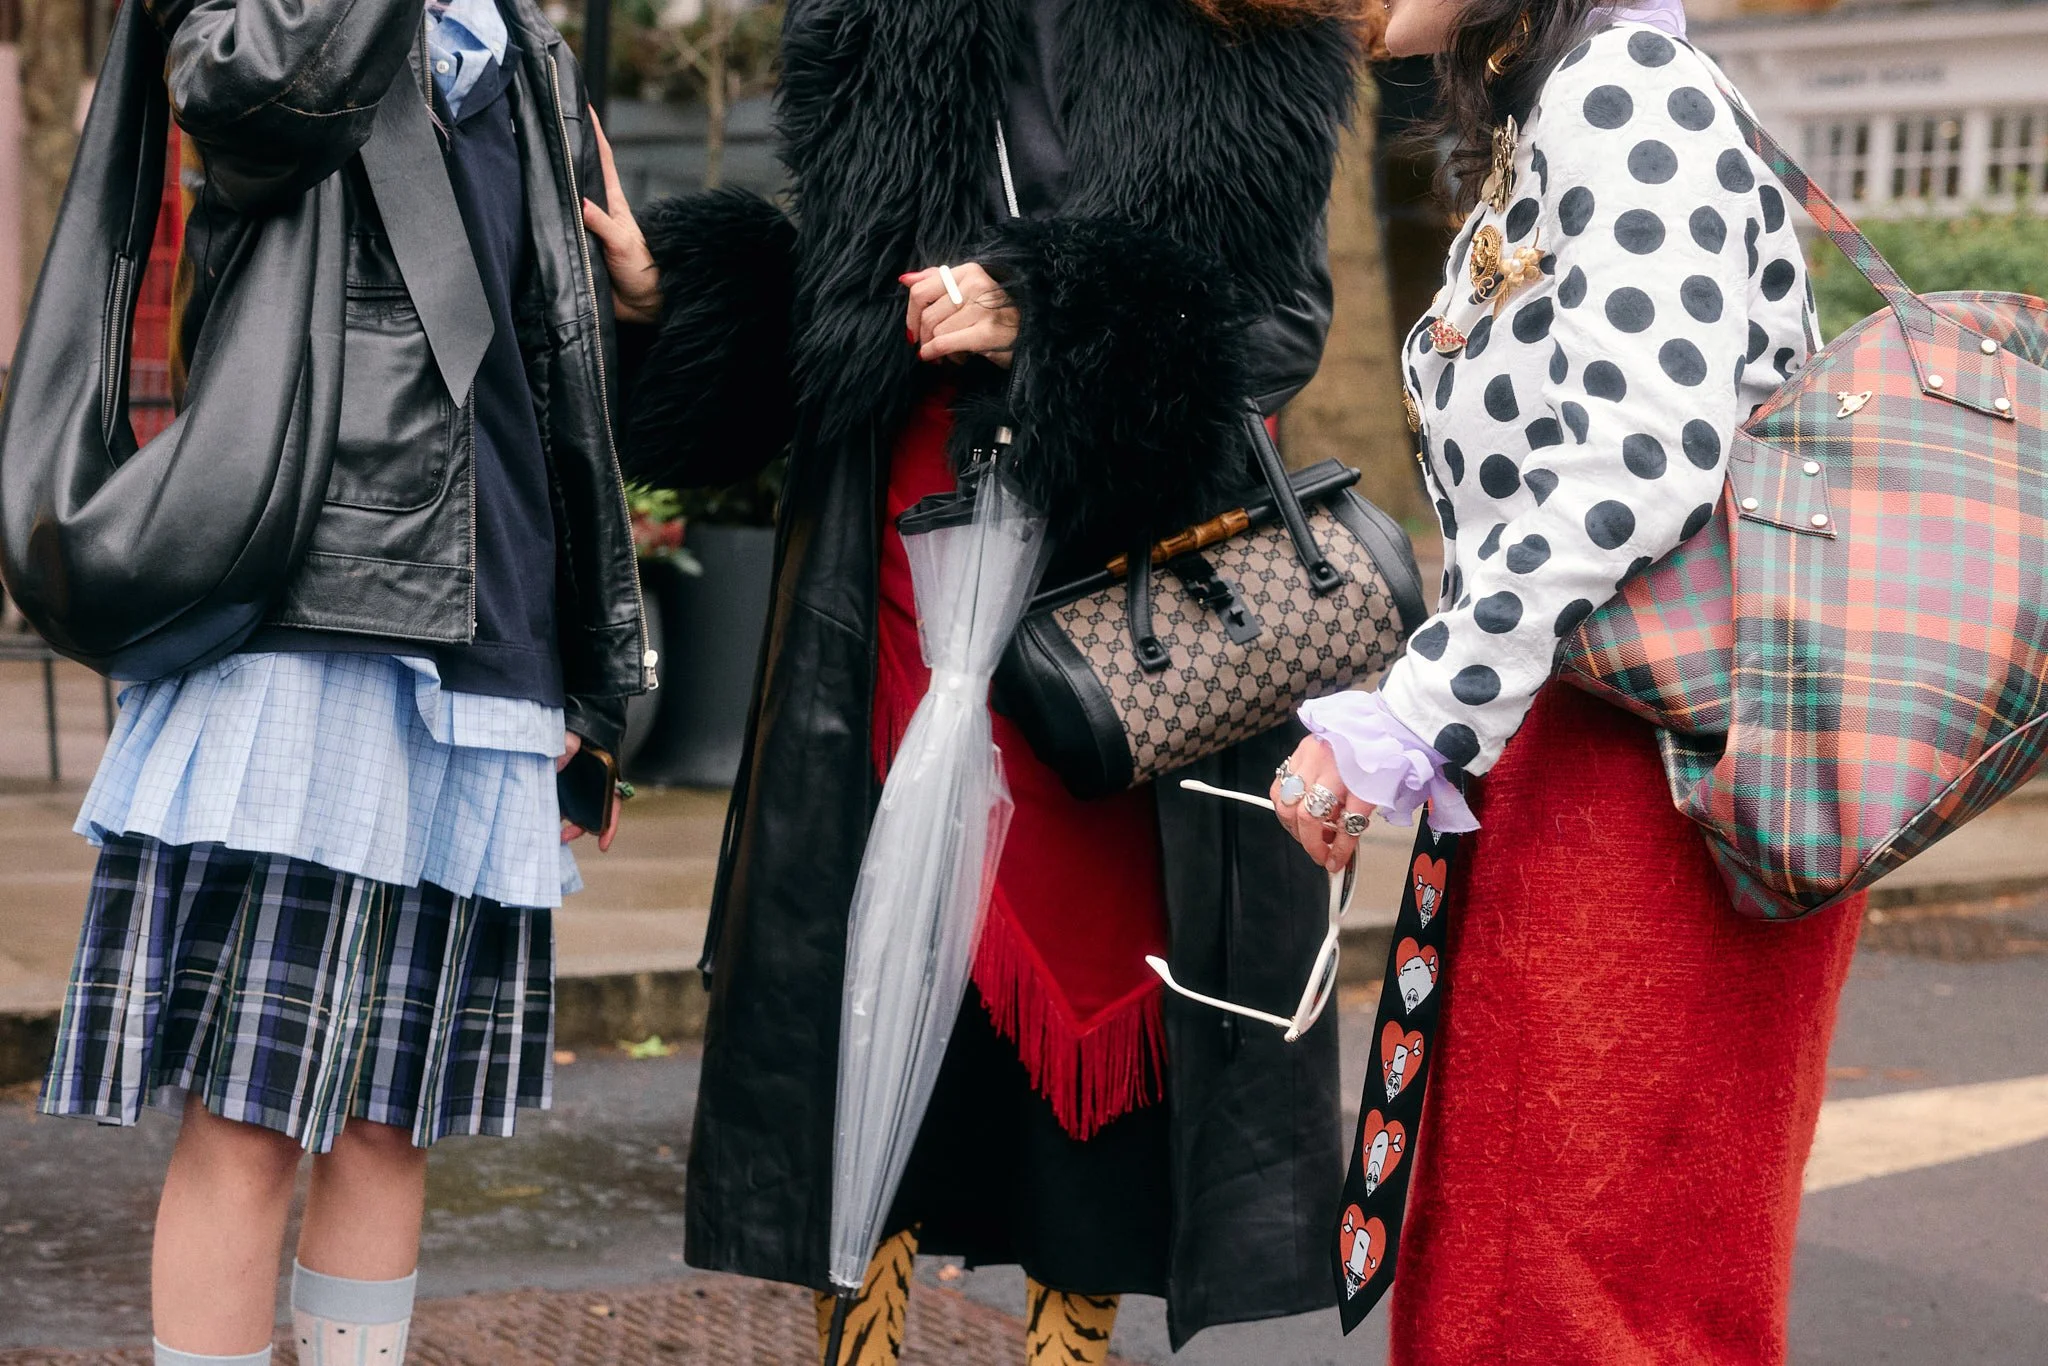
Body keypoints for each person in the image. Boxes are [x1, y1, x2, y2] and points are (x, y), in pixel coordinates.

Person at [580, 0, 1363, 1357]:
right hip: (893, 572)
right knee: (878, 982)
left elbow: (1277, 327)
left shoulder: (1256, 22)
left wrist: (1046, 307)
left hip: (1118, 607)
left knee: (1095, 988)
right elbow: (837, 312)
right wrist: (677, 294)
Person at [34, 0, 646, 1360]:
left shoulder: (530, 58)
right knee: (251, 1111)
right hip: (315, 618)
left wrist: (590, 690)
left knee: (389, 1117)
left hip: (495, 643)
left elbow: (552, 380)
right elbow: (242, 102)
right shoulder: (269, 15)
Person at [1269, 1, 1865, 1361]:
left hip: (1659, 783)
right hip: (1601, 762)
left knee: (1592, 1290)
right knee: (1532, 1264)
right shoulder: (1569, 101)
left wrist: (1409, 715)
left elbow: (1641, 456)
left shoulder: (1626, 85)